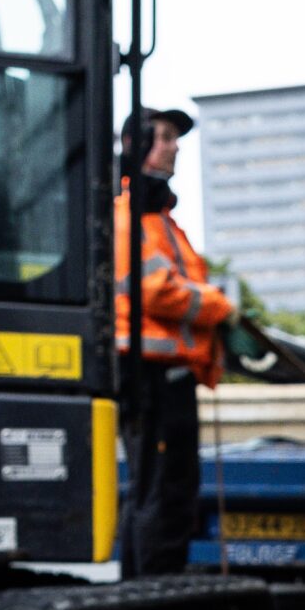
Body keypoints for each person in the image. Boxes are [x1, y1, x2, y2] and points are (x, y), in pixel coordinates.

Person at [114, 106, 237, 576]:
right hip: (148, 377)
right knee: (159, 492)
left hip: (170, 378)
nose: (175, 145)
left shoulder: (160, 219)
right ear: (135, 144)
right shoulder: (128, 215)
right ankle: (151, 592)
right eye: (164, 136)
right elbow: (156, 290)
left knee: (170, 490)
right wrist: (218, 305)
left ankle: (153, 587)